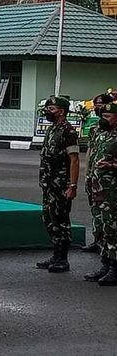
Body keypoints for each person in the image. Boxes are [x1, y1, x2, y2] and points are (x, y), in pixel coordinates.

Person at [35, 96, 79, 273]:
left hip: (61, 184)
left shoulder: (68, 131)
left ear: (61, 111)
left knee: (61, 220)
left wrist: (72, 186)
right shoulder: (53, 129)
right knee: (48, 218)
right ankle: (55, 254)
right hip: (49, 184)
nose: (47, 112)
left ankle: (63, 258)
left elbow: (74, 160)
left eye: (51, 108)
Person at [85, 102, 117, 285]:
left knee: (113, 229)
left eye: (107, 116)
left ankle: (115, 268)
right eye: (102, 116)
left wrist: (112, 165)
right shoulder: (100, 135)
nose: (103, 119)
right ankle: (105, 264)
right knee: (101, 228)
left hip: (112, 192)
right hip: (98, 190)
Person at [83, 93, 112, 253]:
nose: (96, 108)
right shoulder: (95, 129)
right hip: (94, 176)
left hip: (110, 180)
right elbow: (90, 150)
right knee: (95, 208)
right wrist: (88, 172)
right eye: (95, 105)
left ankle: (108, 246)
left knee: (108, 213)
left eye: (100, 105)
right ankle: (98, 240)